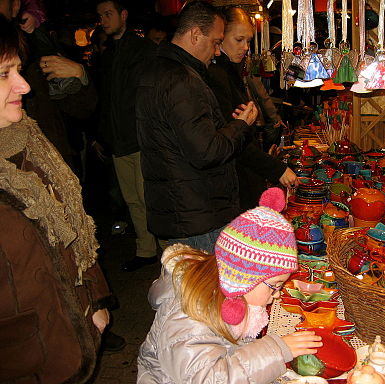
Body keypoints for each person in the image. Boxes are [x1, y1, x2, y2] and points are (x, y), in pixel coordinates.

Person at [0, 15, 116, 382]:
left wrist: (93, 301)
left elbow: (68, 231)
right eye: (5, 74)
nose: (23, 85)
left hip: (65, 342)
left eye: (18, 70)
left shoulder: (25, 138)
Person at [137, 188, 323, 383]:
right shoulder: (190, 317)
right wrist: (275, 350)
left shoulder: (225, 296)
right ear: (244, 278)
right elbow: (207, 379)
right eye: (274, 285)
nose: (276, 295)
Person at [137, 0, 259, 253]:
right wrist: (240, 124)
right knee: (207, 289)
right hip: (197, 212)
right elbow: (206, 152)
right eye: (215, 42)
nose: (217, 52)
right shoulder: (182, 79)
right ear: (195, 35)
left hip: (182, 207)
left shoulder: (160, 69)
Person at [208, 6, 297, 212]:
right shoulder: (217, 75)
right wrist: (277, 169)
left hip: (242, 173)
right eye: (239, 40)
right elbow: (232, 141)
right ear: (221, 37)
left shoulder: (231, 70)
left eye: (248, 41)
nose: (246, 47)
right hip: (232, 180)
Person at [96, 0, 158, 271]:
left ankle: (169, 252)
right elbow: (105, 99)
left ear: (124, 14)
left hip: (141, 138)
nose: (104, 20)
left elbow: (151, 96)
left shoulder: (144, 50)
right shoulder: (108, 55)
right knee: (133, 200)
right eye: (100, 16)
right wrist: (101, 135)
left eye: (108, 14)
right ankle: (146, 250)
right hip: (119, 140)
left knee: (150, 197)